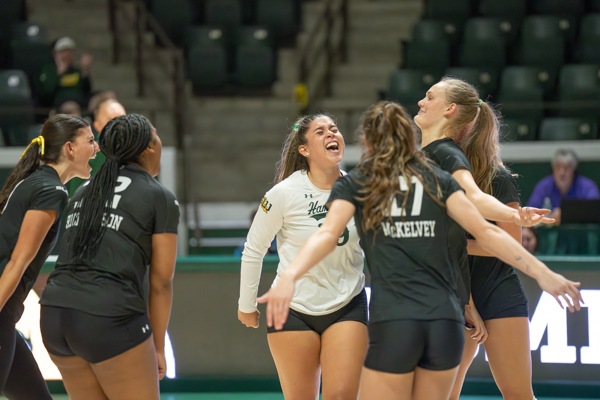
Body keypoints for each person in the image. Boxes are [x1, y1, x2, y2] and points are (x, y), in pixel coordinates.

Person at [258, 101, 582, 400]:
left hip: (397, 321)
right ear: (411, 141)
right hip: (444, 324)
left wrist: (290, 276)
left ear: (368, 143)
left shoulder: (358, 183)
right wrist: (544, 273)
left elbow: (328, 235)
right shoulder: (439, 179)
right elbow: (486, 232)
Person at [415, 77, 548, 400]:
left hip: (495, 288)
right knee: (444, 392)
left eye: (429, 96)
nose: (420, 101)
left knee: (519, 393)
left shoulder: (495, 176)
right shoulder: (431, 166)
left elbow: (510, 248)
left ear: (452, 113)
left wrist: (455, 241)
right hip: (454, 289)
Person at [39, 114, 179, 400]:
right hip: (108, 317)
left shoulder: (83, 191)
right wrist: (159, 347)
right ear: (149, 148)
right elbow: (161, 282)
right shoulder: (158, 195)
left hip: (55, 315)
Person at [238, 114, 367, 400]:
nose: (331, 134)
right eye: (321, 132)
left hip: (348, 305)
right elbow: (254, 248)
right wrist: (246, 304)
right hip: (292, 309)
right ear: (304, 150)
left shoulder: (361, 189)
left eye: (334, 129)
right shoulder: (283, 193)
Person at [0, 114, 98, 399]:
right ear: (69, 148)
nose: (97, 148)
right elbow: (18, 262)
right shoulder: (50, 190)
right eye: (90, 141)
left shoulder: (36, 181)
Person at [528, 149, 600, 225]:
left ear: (574, 169)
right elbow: (530, 214)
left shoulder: (587, 187)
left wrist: (567, 214)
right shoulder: (543, 187)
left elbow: (595, 212)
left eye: (566, 167)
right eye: (558, 167)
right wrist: (548, 218)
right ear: (553, 169)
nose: (562, 172)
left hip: (581, 234)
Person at [39, 37, 93, 108]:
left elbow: (87, 91)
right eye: (63, 52)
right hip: (61, 104)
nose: (67, 55)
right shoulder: (49, 70)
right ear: (56, 54)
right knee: (71, 107)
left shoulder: (76, 71)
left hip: (79, 102)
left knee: (107, 96)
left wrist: (85, 72)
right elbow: (46, 93)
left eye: (69, 52)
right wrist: (59, 73)